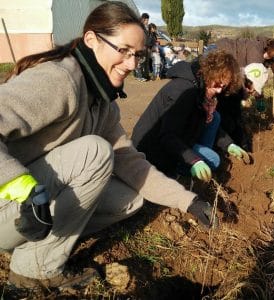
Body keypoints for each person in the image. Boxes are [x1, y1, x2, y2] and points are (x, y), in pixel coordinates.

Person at [0, 1, 216, 290]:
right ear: (91, 40)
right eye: (123, 51)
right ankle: (34, 270)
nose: (131, 65)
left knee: (129, 199)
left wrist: (186, 201)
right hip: (12, 202)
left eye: (137, 55)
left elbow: (130, 161)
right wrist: (23, 187)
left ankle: (30, 246)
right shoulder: (59, 79)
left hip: (25, 211)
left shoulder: (103, 102)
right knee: (94, 152)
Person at [131, 50, 250, 183]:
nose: (219, 90)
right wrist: (194, 160)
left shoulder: (201, 89)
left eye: (224, 87)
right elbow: (167, 136)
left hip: (177, 137)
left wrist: (229, 145)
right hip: (152, 149)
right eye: (217, 84)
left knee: (214, 117)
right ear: (210, 73)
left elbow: (201, 123)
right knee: (214, 160)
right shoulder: (185, 91)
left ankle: (194, 163)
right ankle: (179, 173)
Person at [214, 37, 274, 152]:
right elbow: (249, 81)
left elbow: (254, 83)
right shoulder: (256, 52)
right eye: (269, 55)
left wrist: (259, 98)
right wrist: (255, 96)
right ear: (268, 48)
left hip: (232, 67)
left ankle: (232, 139)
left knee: (232, 104)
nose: (268, 58)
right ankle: (225, 140)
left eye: (272, 58)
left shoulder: (261, 56)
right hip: (220, 52)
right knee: (226, 104)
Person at [133, 12, 150, 82]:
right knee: (139, 62)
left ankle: (142, 75)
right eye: (147, 20)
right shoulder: (138, 26)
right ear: (143, 19)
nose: (147, 22)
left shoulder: (144, 27)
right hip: (139, 47)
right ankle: (138, 76)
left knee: (143, 61)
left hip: (144, 47)